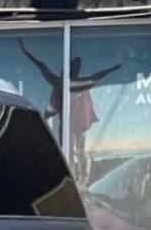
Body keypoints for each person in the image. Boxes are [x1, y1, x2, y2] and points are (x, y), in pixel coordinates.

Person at [17, 38, 122, 179]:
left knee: (72, 152)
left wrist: (26, 53)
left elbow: (42, 68)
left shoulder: (64, 84)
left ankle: (75, 177)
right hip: (75, 126)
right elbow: (96, 76)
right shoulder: (75, 85)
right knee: (76, 152)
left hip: (72, 126)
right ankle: (76, 177)